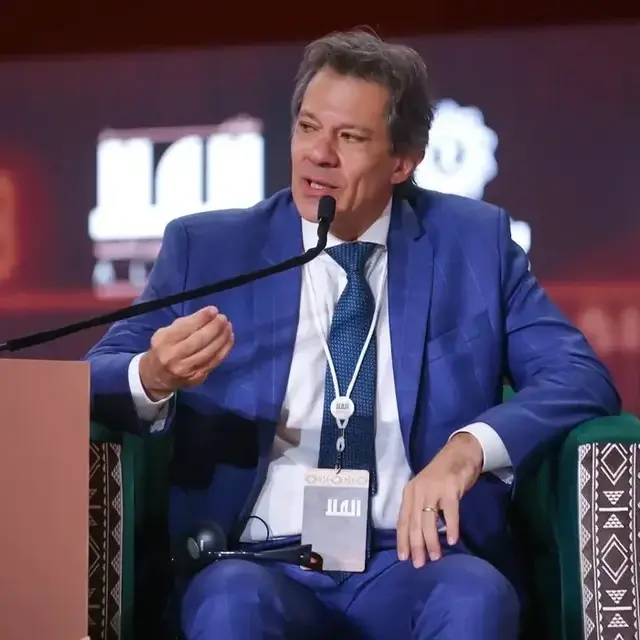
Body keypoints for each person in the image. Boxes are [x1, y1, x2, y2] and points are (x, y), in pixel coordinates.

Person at [85, 29, 621, 640]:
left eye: (349, 137)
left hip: (415, 559)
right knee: (229, 605)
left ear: (403, 161)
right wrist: (152, 375)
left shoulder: (474, 245)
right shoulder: (210, 249)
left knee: (476, 599)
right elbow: (96, 374)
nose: (318, 154)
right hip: (259, 561)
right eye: (308, 128)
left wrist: (467, 449)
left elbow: (579, 378)